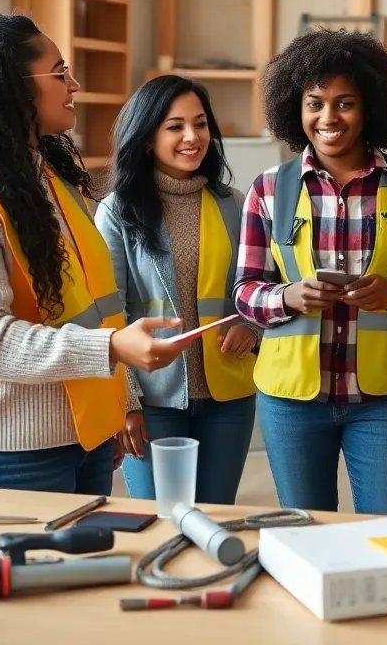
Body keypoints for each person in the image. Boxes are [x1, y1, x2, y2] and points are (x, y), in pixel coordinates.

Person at [0, 0, 188, 494]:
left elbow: (86, 311)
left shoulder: (49, 180)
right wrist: (113, 348)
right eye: (60, 73)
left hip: (79, 434)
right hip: (5, 450)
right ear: (12, 88)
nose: (75, 86)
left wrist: (105, 412)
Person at [233, 28, 387, 517]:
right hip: (290, 403)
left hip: (383, 399)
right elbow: (244, 292)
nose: (328, 117)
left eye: (344, 103)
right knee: (303, 534)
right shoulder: (268, 190)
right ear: (296, 109)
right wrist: (286, 298)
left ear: (370, 106)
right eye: (315, 103)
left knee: (386, 531)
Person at [95, 75, 259, 505]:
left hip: (227, 395)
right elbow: (108, 316)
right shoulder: (117, 211)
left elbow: (255, 286)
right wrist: (125, 400)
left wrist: (250, 327)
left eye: (201, 124)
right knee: (162, 520)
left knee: (214, 516)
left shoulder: (234, 203)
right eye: (175, 126)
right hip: (151, 398)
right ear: (148, 136)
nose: (192, 137)